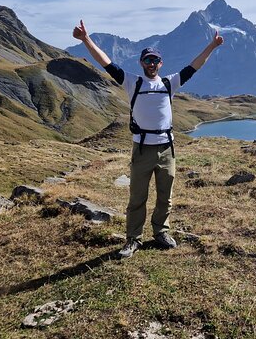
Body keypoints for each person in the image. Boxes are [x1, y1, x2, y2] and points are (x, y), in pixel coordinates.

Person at [73, 20, 223, 258]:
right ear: (141, 63)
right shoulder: (133, 82)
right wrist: (86, 40)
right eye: (147, 60)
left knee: (166, 196)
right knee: (137, 197)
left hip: (166, 149)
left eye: (155, 60)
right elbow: (105, 62)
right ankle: (133, 239)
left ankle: (161, 232)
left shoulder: (169, 82)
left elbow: (194, 66)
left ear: (160, 63)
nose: (151, 64)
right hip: (142, 149)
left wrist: (212, 46)